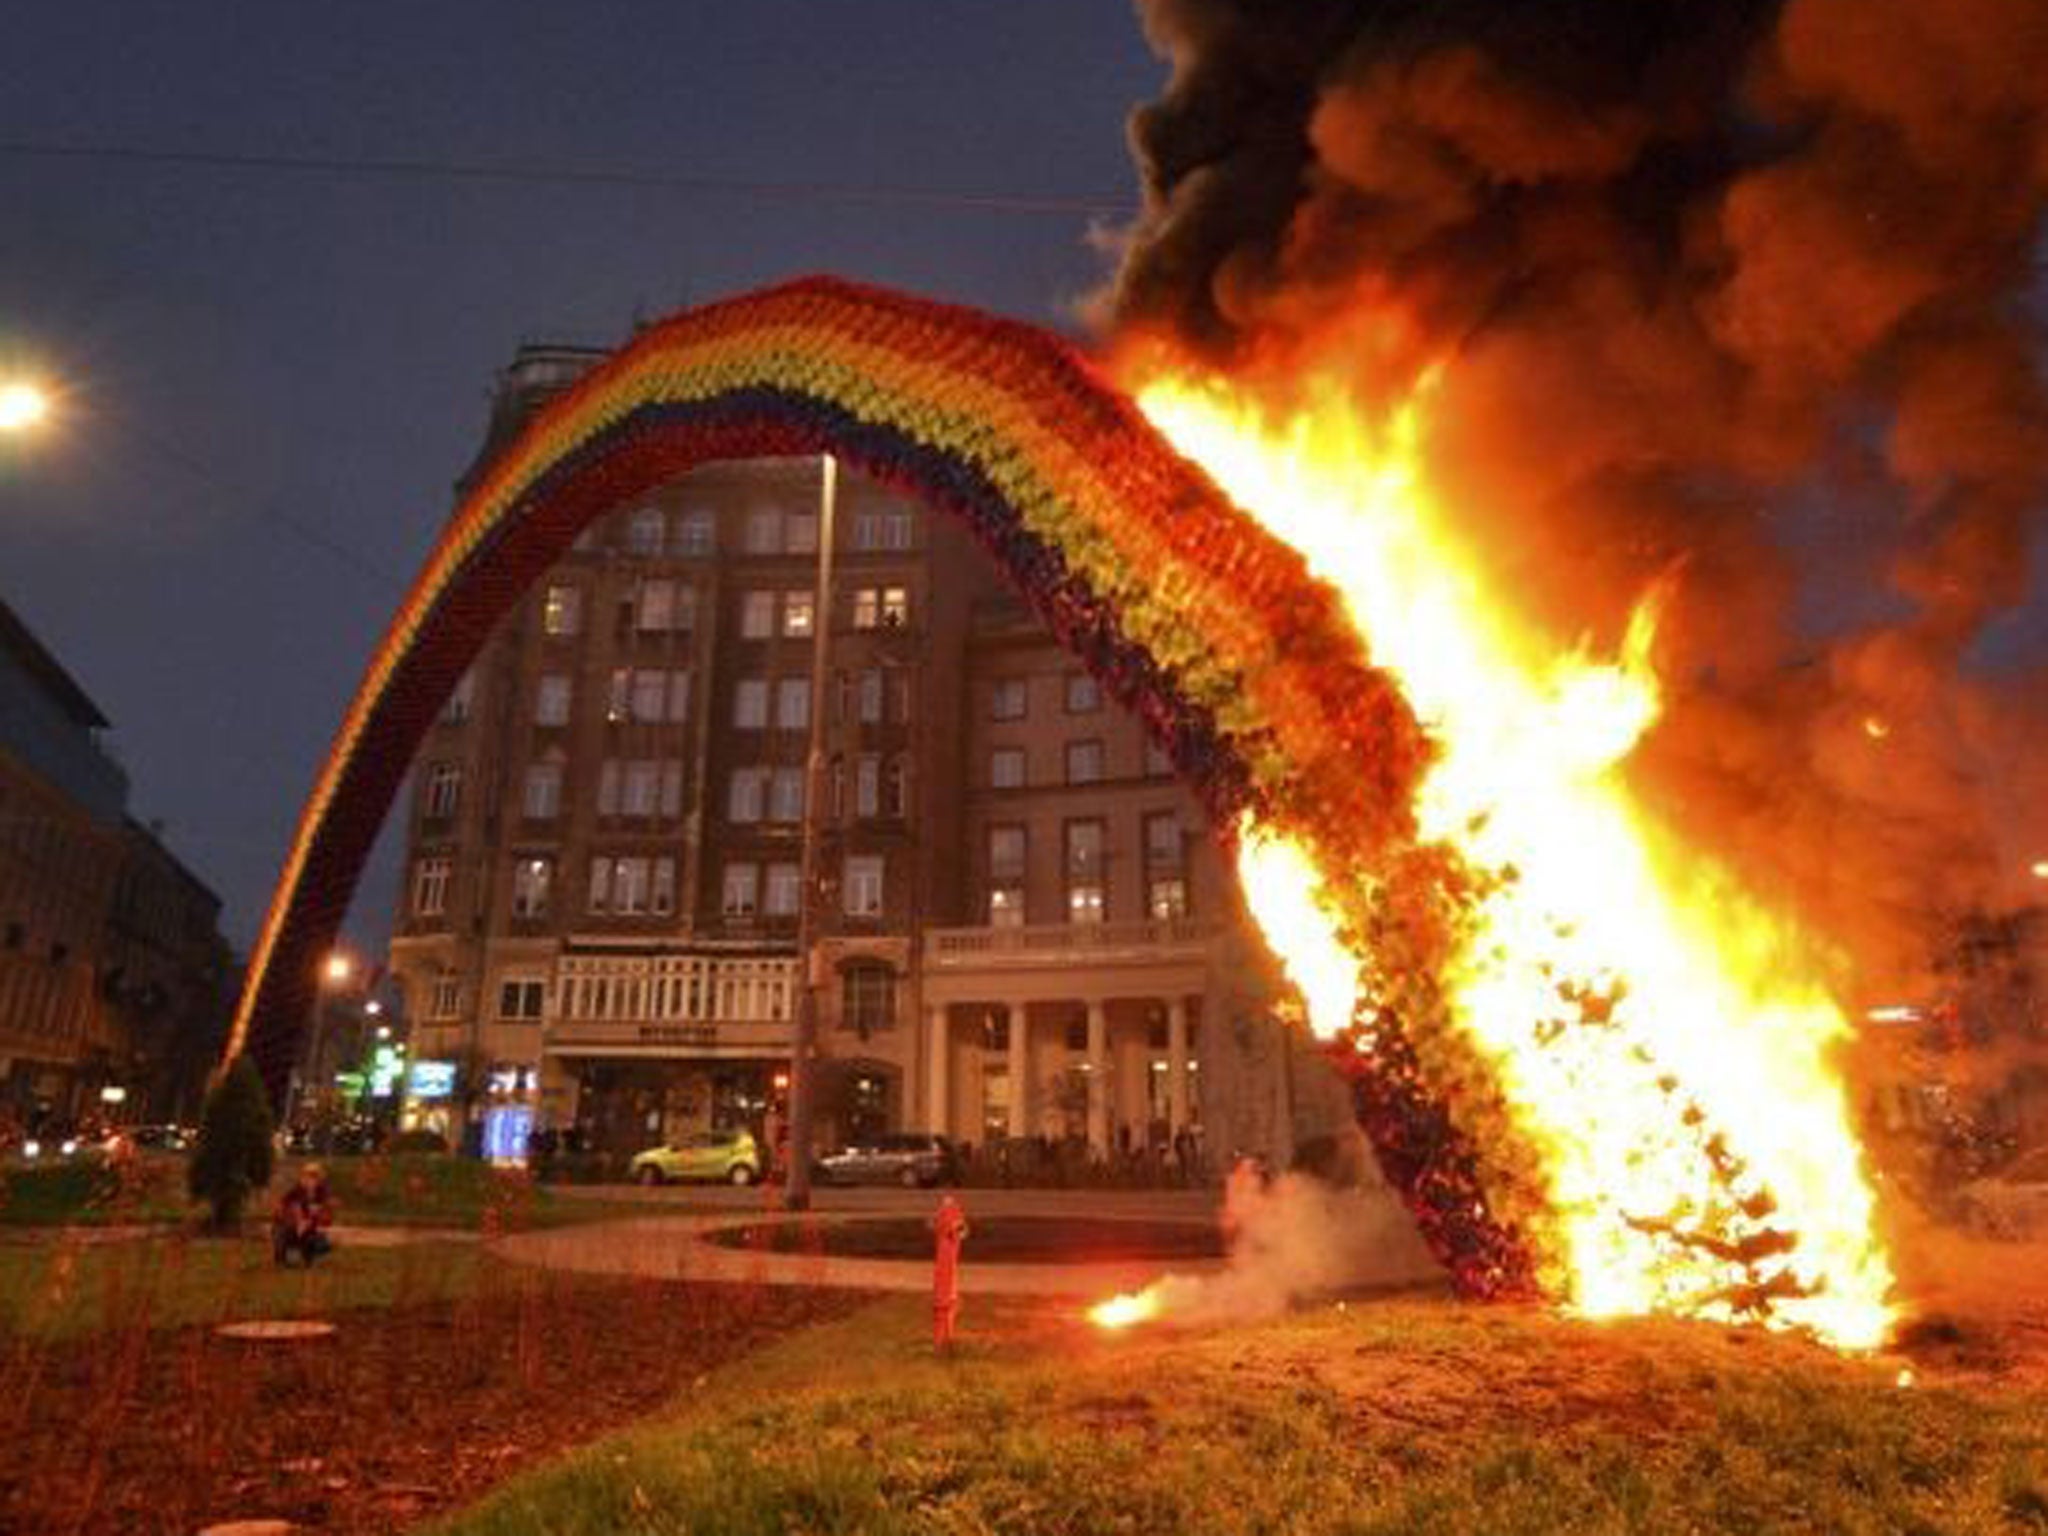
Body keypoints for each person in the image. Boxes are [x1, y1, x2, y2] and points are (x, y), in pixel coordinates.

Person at [273, 1162, 336, 1267]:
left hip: (309, 1227)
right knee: (283, 1235)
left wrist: (321, 1214)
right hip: (290, 1225)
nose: (311, 1180)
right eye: (308, 1176)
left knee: (318, 1242)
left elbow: (326, 1215)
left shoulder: (322, 1193)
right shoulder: (296, 1191)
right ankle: (283, 1259)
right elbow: (283, 1205)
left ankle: (308, 1259)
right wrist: (296, 1219)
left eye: (314, 1177)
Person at [930, 1194, 970, 1350]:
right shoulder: (949, 1231)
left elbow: (961, 1230)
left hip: (946, 1267)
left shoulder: (948, 1230)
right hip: (945, 1268)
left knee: (945, 1298)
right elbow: (961, 1230)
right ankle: (944, 1338)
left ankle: (944, 1338)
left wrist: (954, 1227)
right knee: (945, 1299)